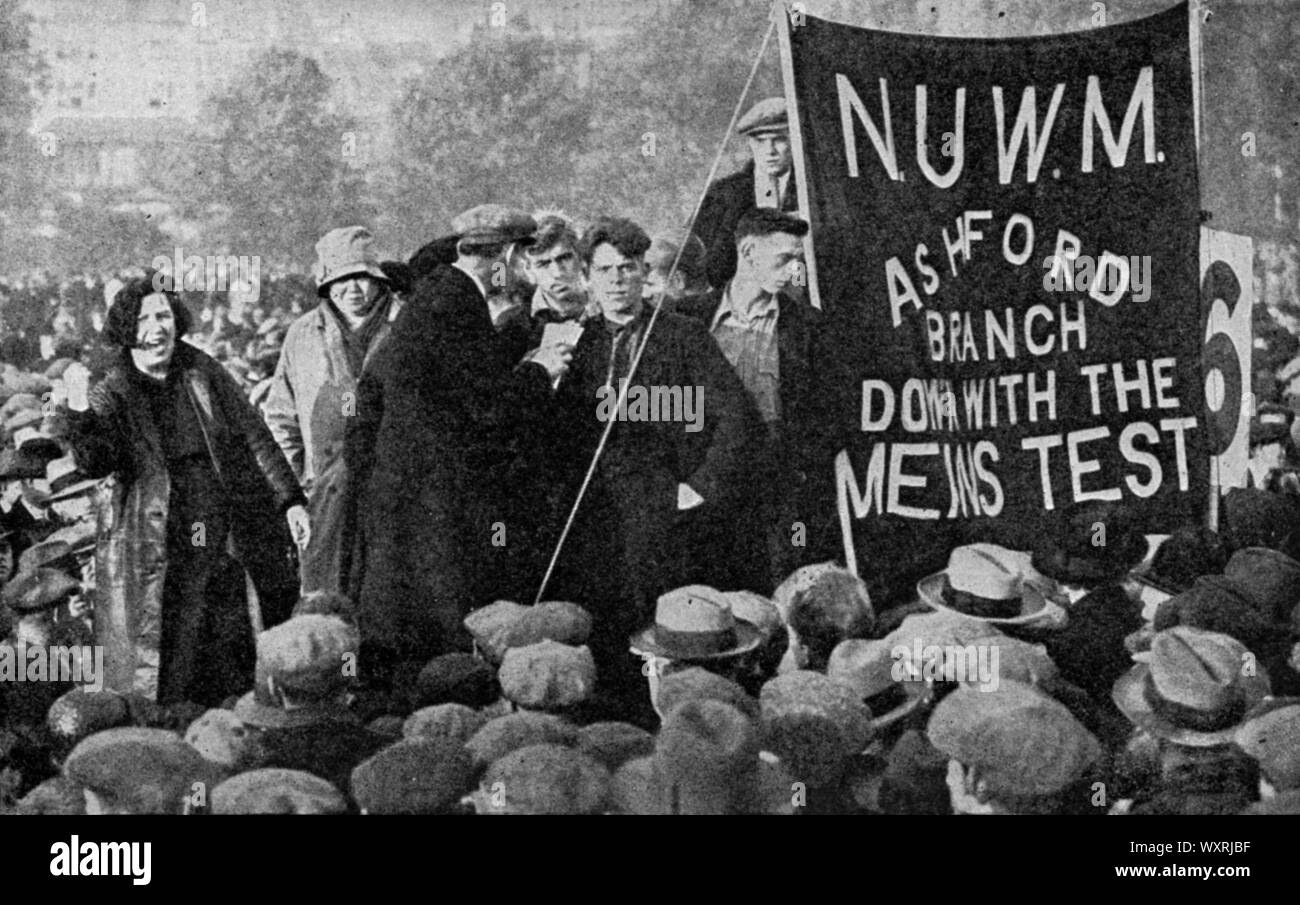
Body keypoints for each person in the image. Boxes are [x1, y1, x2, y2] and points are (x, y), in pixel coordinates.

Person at [345, 205, 573, 688]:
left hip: (406, 500)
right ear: (506, 255)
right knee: (439, 641)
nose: (522, 275)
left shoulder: (437, 298)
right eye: (523, 261)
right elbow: (487, 409)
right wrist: (542, 368)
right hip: (435, 507)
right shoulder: (456, 304)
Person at [55, 276, 306, 706]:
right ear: (127, 331)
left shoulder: (202, 371)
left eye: (164, 315)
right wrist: (78, 413)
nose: (157, 328)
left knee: (232, 632)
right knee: (173, 642)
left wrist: (291, 501)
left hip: (223, 529)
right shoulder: (113, 388)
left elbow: (254, 436)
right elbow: (95, 460)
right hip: (156, 538)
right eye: (144, 319)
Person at [544, 217, 764, 702]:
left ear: (644, 272)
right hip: (594, 521)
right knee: (604, 635)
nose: (617, 280)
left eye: (627, 268)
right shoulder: (575, 342)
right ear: (589, 276)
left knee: (664, 637)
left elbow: (737, 420)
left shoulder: (683, 337)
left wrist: (699, 488)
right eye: (605, 270)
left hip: (662, 518)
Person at [681, 208, 836, 585]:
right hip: (707, 483)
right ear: (748, 253)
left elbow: (830, 415)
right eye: (783, 260)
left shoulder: (808, 327)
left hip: (779, 491)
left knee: (782, 591)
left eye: (797, 262)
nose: (792, 272)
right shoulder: (687, 318)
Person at [264, 227, 402, 595]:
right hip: (324, 491)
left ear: (377, 279)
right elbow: (282, 419)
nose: (352, 290)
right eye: (340, 279)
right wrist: (291, 496)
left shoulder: (406, 324)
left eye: (361, 277)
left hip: (393, 486)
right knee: (327, 593)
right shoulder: (303, 335)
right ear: (325, 283)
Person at [690, 97, 800, 290]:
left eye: (779, 139)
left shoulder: (813, 192)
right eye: (760, 141)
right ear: (750, 143)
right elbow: (693, 253)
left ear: (796, 141)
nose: (770, 150)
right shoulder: (722, 194)